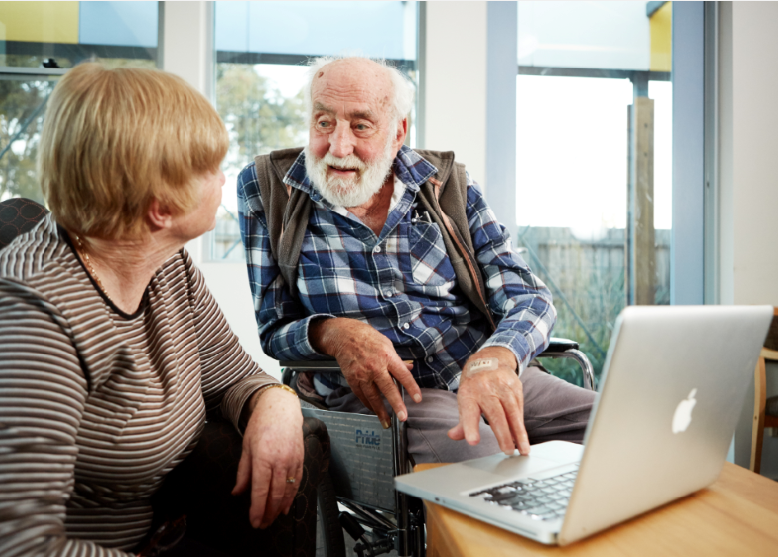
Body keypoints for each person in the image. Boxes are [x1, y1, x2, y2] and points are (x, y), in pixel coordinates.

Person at [0, 63, 305, 556]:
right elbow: (12, 544)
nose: (223, 179)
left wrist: (279, 404)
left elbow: (235, 378)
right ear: (161, 208)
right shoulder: (28, 312)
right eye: (210, 167)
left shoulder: (167, 267)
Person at [238, 56, 596, 465]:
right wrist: (333, 333)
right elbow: (274, 329)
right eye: (323, 122)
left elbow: (528, 296)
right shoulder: (269, 187)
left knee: (626, 426)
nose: (338, 147)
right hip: (388, 395)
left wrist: (498, 357)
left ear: (397, 132)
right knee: (485, 457)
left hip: (479, 367)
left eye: (360, 125)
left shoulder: (445, 184)